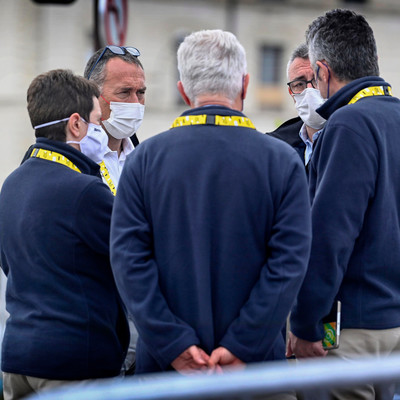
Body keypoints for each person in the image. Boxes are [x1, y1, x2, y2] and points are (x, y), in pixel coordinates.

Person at [110, 29, 311, 379]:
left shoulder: (144, 160)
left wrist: (173, 344)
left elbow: (129, 261)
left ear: (183, 90)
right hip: (257, 373)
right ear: (245, 86)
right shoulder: (281, 161)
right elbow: (289, 262)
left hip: (165, 374)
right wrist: (242, 345)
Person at [287, 9, 400, 399]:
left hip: (355, 331)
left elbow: (330, 237)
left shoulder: (348, 124)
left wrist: (304, 324)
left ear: (323, 71)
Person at [0, 69, 129, 400]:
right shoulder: (86, 192)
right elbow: (136, 256)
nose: (102, 131)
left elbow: (9, 265)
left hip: (17, 358)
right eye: (97, 121)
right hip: (75, 363)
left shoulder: (11, 185)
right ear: (76, 124)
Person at [83, 45, 146, 191]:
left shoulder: (146, 159)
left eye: (141, 93)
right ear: (92, 95)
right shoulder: (74, 159)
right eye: (124, 92)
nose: (135, 103)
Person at [267, 43, 326, 166]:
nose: (309, 90)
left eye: (316, 80)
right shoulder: (276, 148)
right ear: (291, 93)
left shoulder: (352, 139)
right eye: (299, 84)